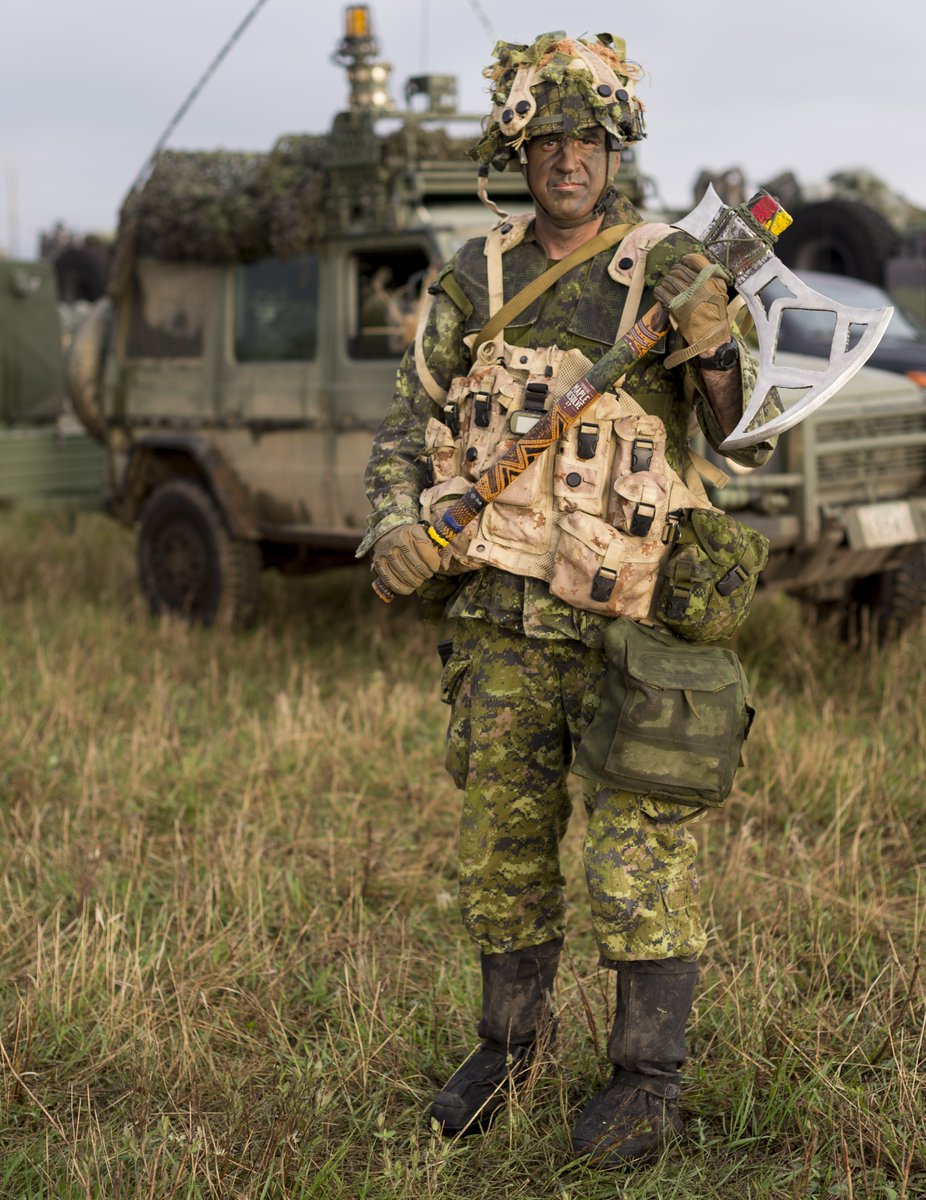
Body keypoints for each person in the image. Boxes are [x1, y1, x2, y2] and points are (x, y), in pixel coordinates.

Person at [357, 32, 777, 1165]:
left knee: (638, 856)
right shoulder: (474, 279)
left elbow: (743, 438)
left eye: (587, 139)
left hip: (633, 625)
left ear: (616, 149)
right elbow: (404, 431)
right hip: (502, 624)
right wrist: (393, 524)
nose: (567, 158)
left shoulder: (670, 267)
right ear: (519, 152)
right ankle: (506, 1051)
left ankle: (646, 1081)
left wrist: (712, 344)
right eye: (546, 139)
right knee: (502, 849)